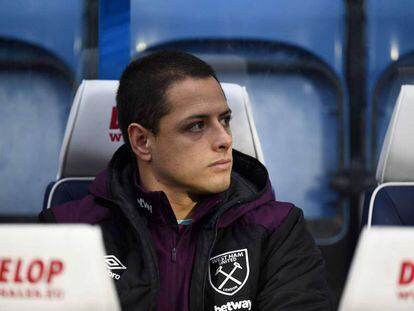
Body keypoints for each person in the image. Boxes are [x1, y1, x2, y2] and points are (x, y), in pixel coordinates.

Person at [39, 51, 331, 311]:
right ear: (142, 141)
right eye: (197, 125)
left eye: (225, 120)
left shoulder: (279, 228)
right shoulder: (65, 230)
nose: (225, 139)